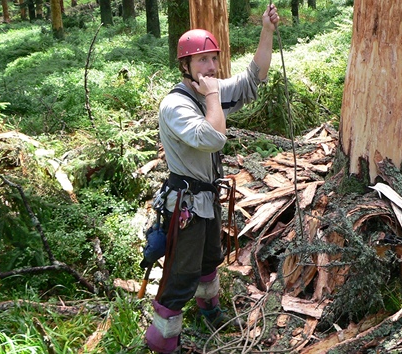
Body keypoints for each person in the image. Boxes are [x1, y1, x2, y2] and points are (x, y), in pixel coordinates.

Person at [145, 5, 280, 353]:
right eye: (200, 60)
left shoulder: (209, 91)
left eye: (212, 59)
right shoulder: (175, 105)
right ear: (185, 66)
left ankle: (210, 310)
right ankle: (162, 339)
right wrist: (213, 96)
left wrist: (266, 30)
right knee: (182, 273)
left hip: (208, 196)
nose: (209, 67)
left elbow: (253, 80)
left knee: (209, 260)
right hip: (186, 202)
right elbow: (213, 137)